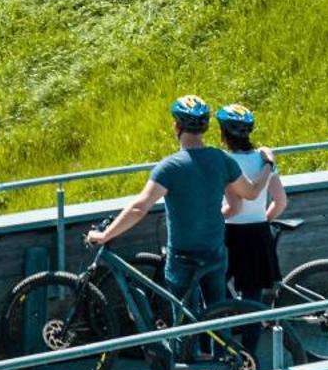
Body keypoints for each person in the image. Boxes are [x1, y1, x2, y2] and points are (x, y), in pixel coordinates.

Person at [85, 95, 269, 322]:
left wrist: (105, 235)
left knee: (181, 319)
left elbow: (139, 208)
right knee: (219, 314)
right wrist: (268, 165)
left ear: (177, 127)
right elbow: (250, 193)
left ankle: (185, 356)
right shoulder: (221, 159)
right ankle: (225, 355)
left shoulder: (170, 167)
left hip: (183, 256)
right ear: (205, 128)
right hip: (214, 252)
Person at [215, 103, 287, 311]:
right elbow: (280, 201)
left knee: (215, 287)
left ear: (223, 133)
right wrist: (263, 221)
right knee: (253, 298)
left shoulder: (224, 160)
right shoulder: (264, 159)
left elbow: (232, 206)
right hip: (258, 232)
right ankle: (250, 343)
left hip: (228, 232)